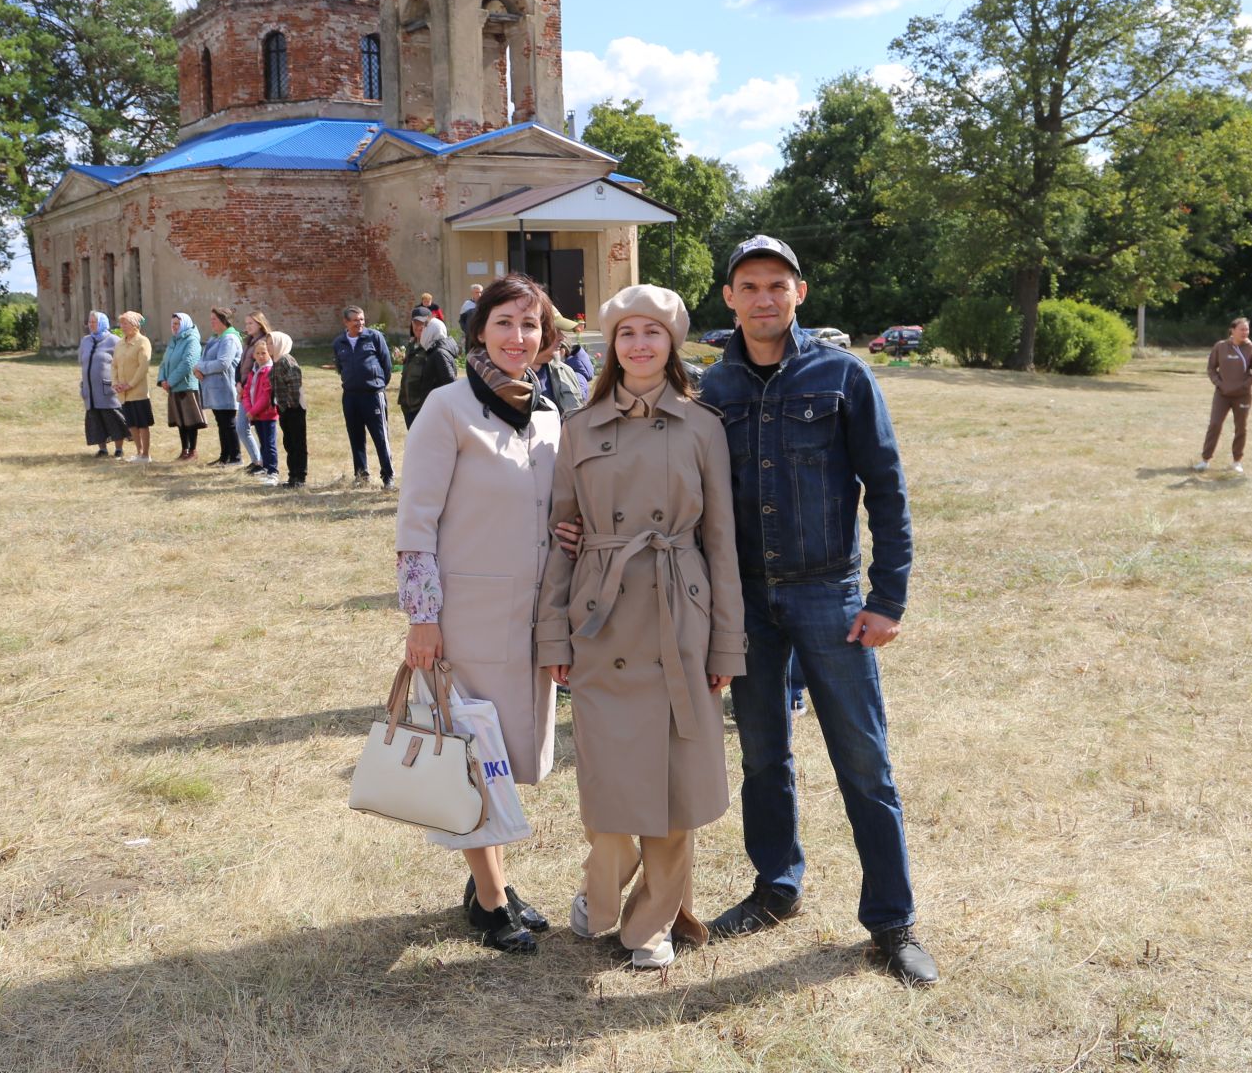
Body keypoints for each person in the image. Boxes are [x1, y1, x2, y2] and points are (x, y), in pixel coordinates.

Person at [689, 234, 935, 985]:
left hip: (830, 595)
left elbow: (886, 490)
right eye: (749, 286)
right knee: (764, 755)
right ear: (728, 298)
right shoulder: (710, 391)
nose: (764, 297)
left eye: (777, 284)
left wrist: (887, 597)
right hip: (745, 602)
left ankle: (892, 922)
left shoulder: (842, 377)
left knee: (864, 762)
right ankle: (776, 888)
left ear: (801, 292)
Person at [535, 285, 746, 970]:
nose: (640, 345)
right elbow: (559, 540)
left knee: (678, 785)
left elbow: (722, 544)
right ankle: (602, 894)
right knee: (608, 787)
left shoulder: (702, 426)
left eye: (653, 333)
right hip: (601, 620)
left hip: (681, 617)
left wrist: (725, 642)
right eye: (627, 333)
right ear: (611, 345)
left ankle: (650, 925)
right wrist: (553, 635)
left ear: (673, 343)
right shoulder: (579, 427)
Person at [395, 272, 562, 954]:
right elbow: (416, 524)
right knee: (473, 754)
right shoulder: (448, 407)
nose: (518, 337)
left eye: (530, 325)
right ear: (479, 332)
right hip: (463, 615)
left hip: (531, 618)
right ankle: (490, 902)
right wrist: (422, 618)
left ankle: (488, 879)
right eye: (504, 323)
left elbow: (554, 508)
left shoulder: (551, 414)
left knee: (508, 754)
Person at [333, 306, 395, 489]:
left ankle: (388, 477)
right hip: (351, 397)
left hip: (373, 395)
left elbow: (387, 365)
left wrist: (377, 385)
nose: (359, 323)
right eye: (355, 320)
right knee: (356, 437)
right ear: (346, 322)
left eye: (361, 319)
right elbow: (339, 367)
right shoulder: (339, 343)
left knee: (380, 436)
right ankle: (361, 475)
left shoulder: (374, 337)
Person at [1196, 317, 1252, 473]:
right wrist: (1219, 383)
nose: (1245, 332)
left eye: (1247, 329)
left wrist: (1244, 385)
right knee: (1215, 424)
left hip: (1243, 395)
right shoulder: (1220, 346)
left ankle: (1237, 461)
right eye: (1242, 329)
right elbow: (1211, 369)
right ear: (1232, 330)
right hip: (1222, 395)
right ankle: (1205, 460)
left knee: (1241, 427)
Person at [397, 309, 460, 429]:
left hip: (424, 407)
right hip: (410, 405)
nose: (419, 327)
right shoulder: (413, 345)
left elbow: (450, 383)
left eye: (424, 324)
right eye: (415, 322)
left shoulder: (436, 351)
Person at [157, 313, 206, 462]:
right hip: (173, 387)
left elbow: (188, 363)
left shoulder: (192, 340)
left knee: (190, 420)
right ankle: (184, 449)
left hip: (187, 386)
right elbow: (164, 362)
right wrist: (162, 379)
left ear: (184, 324)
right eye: (172, 324)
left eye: (177, 324)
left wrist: (170, 381)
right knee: (180, 420)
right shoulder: (173, 341)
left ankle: (193, 450)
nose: (174, 327)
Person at [197, 308, 244, 466]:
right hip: (215, 388)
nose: (211, 322)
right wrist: (197, 368)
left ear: (224, 321)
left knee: (229, 423)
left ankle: (235, 457)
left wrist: (201, 367)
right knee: (221, 423)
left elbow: (223, 363)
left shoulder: (229, 339)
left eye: (214, 319)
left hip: (225, 388)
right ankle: (225, 456)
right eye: (211, 319)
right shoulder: (215, 338)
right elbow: (204, 359)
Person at [79, 312, 128, 459]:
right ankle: (103, 449)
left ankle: (119, 449)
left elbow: (122, 364)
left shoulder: (114, 341)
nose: (91, 324)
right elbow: (82, 361)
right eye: (89, 322)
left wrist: (118, 382)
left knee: (113, 418)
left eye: (94, 322)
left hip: (108, 389)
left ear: (102, 323)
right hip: (90, 389)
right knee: (95, 419)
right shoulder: (85, 341)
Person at [235, 311, 275, 477]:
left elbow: (258, 367)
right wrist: (238, 382)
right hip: (244, 389)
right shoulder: (248, 341)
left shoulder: (264, 342)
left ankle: (260, 462)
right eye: (246, 323)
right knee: (243, 427)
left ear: (259, 324)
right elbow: (241, 364)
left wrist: (244, 387)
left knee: (243, 426)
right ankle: (257, 461)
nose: (247, 326)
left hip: (253, 390)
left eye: (251, 323)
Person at [113, 312, 155, 462]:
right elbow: (114, 365)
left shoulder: (143, 342)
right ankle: (139, 452)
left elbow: (143, 367)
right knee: (131, 424)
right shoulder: (120, 343)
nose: (122, 327)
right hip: (124, 393)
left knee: (142, 424)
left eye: (125, 324)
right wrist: (115, 383)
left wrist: (129, 385)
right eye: (121, 323)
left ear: (135, 325)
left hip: (138, 392)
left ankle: (146, 455)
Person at [240, 336, 280, 486]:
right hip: (256, 415)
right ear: (253, 355)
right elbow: (246, 392)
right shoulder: (254, 371)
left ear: (270, 353)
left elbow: (266, 395)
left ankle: (273, 471)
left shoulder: (269, 370)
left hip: (267, 414)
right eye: (258, 353)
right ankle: (265, 468)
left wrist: (253, 411)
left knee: (269, 443)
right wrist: (249, 410)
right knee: (263, 443)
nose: (261, 356)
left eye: (264, 353)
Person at [270, 331, 308, 488]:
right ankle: (292, 476)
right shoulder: (277, 361)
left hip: (294, 409)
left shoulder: (287, 360)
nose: (268, 346)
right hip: (284, 409)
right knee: (289, 443)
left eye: (271, 343)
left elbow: (294, 383)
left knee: (297, 443)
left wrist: (290, 405)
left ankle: (299, 477)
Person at [533, 328, 585, 418]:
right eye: (555, 331)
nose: (562, 338)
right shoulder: (512, 373)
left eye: (561, 331)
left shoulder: (566, 371)